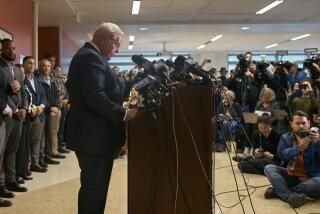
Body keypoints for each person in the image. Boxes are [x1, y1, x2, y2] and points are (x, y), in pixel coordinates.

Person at [66, 22, 138, 213]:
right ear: (106, 39)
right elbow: (95, 97)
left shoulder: (91, 56)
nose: (116, 51)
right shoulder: (91, 57)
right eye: (116, 45)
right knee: (94, 191)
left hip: (92, 135)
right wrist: (123, 113)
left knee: (93, 189)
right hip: (93, 137)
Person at [264, 111, 320, 208]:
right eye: (297, 123)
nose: (301, 126)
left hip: (312, 178)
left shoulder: (317, 137)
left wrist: (318, 143)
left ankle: (280, 191)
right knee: (269, 168)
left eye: (304, 123)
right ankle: (289, 196)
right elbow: (282, 155)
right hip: (293, 176)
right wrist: (299, 149)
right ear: (291, 124)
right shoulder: (286, 138)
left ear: (309, 123)